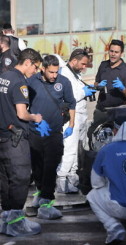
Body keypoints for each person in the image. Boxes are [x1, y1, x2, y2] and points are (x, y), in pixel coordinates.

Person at [27, 55, 76, 220]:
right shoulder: (31, 81)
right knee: (37, 166)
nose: (54, 75)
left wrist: (71, 125)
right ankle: (40, 193)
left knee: (50, 166)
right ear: (43, 69)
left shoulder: (64, 82)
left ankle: (47, 201)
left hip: (54, 132)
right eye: (51, 72)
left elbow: (71, 103)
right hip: (35, 132)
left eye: (56, 72)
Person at [0, 48, 43, 237]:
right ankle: (16, 222)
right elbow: (22, 113)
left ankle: (6, 219)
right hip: (15, 139)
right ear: (28, 62)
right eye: (35, 67)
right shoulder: (19, 82)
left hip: (2, 136)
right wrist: (35, 118)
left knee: (5, 179)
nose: (35, 71)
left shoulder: (4, 75)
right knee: (21, 178)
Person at [56, 49, 94, 194]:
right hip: (73, 116)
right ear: (74, 61)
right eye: (83, 64)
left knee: (76, 151)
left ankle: (71, 179)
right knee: (70, 151)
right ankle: (62, 180)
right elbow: (69, 96)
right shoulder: (65, 73)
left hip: (80, 116)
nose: (85, 67)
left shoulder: (74, 74)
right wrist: (85, 92)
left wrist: (88, 89)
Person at [87, 39, 126, 145]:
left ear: (121, 53)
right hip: (101, 111)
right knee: (93, 137)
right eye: (111, 51)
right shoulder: (103, 65)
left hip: (118, 113)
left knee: (116, 142)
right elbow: (96, 83)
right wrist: (98, 86)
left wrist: (122, 88)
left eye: (116, 52)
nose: (113, 54)